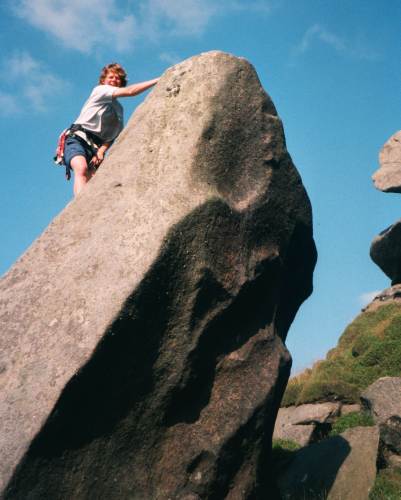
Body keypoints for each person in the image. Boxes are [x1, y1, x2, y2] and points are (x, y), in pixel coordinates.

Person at [61, 63, 159, 195]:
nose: (114, 80)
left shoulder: (119, 109)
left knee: (93, 181)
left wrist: (101, 151)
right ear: (104, 80)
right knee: (81, 168)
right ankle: (78, 208)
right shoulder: (100, 90)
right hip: (78, 138)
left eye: (117, 78)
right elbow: (130, 91)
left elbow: (113, 135)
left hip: (95, 146)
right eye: (111, 77)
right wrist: (158, 80)